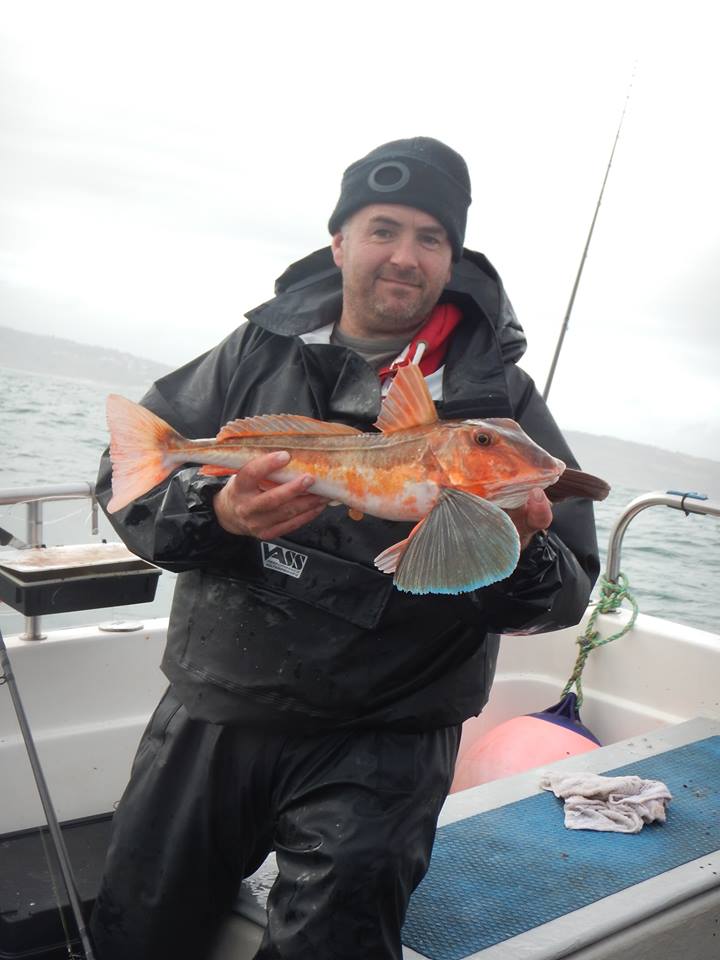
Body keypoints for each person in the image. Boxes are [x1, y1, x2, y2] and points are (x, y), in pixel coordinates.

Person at [90, 137, 599, 960]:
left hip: (388, 734)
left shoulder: (496, 403)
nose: (404, 256)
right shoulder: (255, 351)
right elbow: (124, 474)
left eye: (431, 238)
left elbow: (568, 589)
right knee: (139, 928)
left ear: (453, 256)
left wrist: (515, 545)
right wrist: (219, 511)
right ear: (340, 242)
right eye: (382, 228)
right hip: (219, 701)